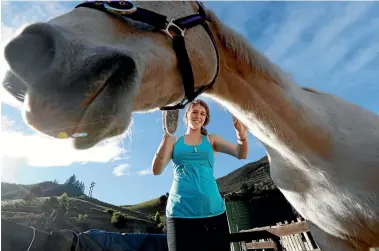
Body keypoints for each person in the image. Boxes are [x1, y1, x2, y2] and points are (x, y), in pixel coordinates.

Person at [152, 99, 249, 251]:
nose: (198, 116)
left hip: (214, 212)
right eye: (195, 112)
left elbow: (241, 153)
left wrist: (240, 134)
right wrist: (166, 137)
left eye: (202, 113)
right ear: (186, 116)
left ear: (206, 119)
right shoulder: (174, 142)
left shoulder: (211, 140)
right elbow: (156, 170)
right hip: (180, 213)